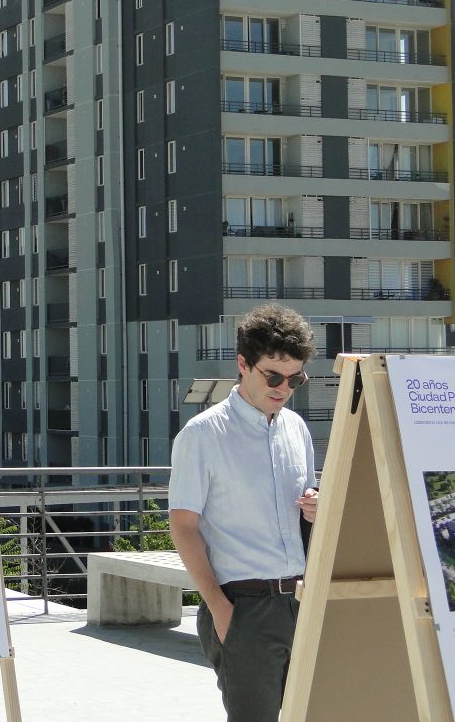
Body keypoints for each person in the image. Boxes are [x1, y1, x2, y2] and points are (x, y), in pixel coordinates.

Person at [169, 303, 319, 722]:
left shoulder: (297, 429)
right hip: (244, 608)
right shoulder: (203, 434)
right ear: (243, 364)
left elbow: (306, 515)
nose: (284, 387)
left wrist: (315, 509)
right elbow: (183, 527)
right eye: (273, 375)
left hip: (304, 602)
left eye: (295, 378)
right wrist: (220, 609)